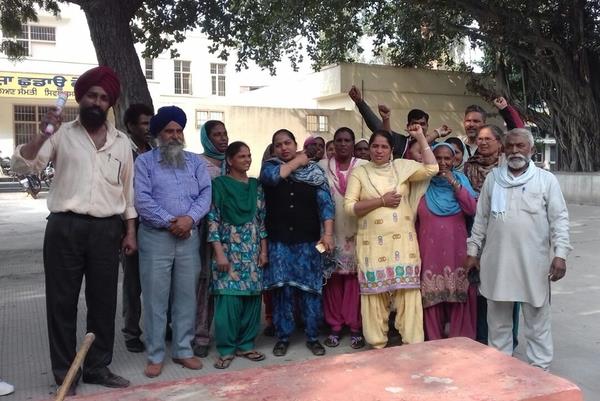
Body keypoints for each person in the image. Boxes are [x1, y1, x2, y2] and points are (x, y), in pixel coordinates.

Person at [11, 66, 136, 394]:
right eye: (92, 95)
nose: (97, 101)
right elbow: (22, 166)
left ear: (110, 104)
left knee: (104, 301)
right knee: (61, 302)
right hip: (65, 227)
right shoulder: (61, 133)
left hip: (107, 230)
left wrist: (130, 231)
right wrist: (42, 134)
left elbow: (128, 192)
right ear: (81, 98)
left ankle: (97, 367)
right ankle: (65, 374)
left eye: (104, 97)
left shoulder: (122, 143)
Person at [465, 128, 571, 370]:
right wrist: (473, 252)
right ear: (503, 149)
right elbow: (481, 219)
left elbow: (560, 220)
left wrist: (560, 255)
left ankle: (539, 371)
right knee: (498, 323)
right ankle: (501, 370)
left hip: (533, 265)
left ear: (531, 150)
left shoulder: (546, 181)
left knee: (537, 322)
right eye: (510, 146)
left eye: (520, 146)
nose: (515, 151)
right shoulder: (494, 179)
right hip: (498, 264)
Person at [344, 126, 438, 349]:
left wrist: (421, 137)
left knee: (408, 293)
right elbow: (349, 207)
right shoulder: (360, 171)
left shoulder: (402, 167)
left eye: (384, 147)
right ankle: (377, 345)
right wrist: (381, 202)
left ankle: (412, 345)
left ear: (392, 150)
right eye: (374, 146)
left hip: (403, 244)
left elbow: (432, 167)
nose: (378, 151)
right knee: (374, 295)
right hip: (371, 246)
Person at [135, 106, 211, 378]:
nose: (175, 136)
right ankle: (155, 355)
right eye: (169, 131)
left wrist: (189, 219)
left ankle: (182, 350)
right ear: (158, 134)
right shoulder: (144, 162)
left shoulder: (194, 162)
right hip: (156, 237)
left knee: (186, 296)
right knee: (155, 298)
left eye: (178, 130)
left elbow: (205, 194)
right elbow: (142, 200)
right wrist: (171, 221)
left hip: (188, 237)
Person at [260, 129, 335, 357]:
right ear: (273, 149)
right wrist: (297, 161)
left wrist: (328, 234)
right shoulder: (270, 168)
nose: (284, 148)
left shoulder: (314, 172)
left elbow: (326, 205)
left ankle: (312, 337)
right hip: (279, 241)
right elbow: (273, 179)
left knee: (311, 291)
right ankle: (283, 337)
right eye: (278, 145)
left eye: (287, 143)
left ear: (295, 144)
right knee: (282, 290)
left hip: (308, 241)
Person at [208, 141, 268, 369]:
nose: (247, 159)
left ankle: (246, 345)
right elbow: (212, 220)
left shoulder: (255, 186)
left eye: (249, 155)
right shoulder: (220, 185)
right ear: (230, 160)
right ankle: (226, 348)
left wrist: (263, 251)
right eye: (242, 156)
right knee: (228, 299)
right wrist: (219, 253)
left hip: (251, 250)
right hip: (228, 251)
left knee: (252, 298)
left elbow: (261, 220)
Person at [416, 143, 478, 340]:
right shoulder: (422, 183)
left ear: (454, 161)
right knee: (431, 297)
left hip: (456, 251)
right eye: (438, 158)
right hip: (428, 251)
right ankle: (434, 340)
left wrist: (454, 184)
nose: (442, 162)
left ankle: (461, 341)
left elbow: (472, 209)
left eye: (447, 158)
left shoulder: (461, 181)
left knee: (458, 294)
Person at [319, 127, 367, 349]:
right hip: (329, 232)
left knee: (354, 282)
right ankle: (335, 326)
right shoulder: (322, 167)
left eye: (347, 140)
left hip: (358, 232)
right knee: (333, 281)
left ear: (353, 143)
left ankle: (356, 327)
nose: (343, 144)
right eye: (338, 140)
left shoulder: (364, 167)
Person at [194, 120, 229, 357]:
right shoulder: (196, 163)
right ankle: (201, 336)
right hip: (203, 230)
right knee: (204, 282)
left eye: (225, 134)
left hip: (231, 231)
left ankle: (228, 333)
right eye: (217, 134)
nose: (223, 138)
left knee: (228, 281)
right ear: (207, 138)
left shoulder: (233, 160)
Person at [121, 103, 154, 353]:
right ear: (130, 126)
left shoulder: (156, 151)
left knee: (159, 281)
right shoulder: (123, 151)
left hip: (155, 226)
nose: (148, 128)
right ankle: (132, 332)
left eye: (150, 122)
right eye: (143, 123)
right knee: (133, 284)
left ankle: (162, 327)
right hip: (129, 226)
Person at [348, 86, 449, 158]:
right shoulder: (402, 142)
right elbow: (378, 128)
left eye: (422, 124)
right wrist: (360, 102)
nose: (419, 127)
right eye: (415, 123)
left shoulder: (437, 147)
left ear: (427, 126)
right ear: (408, 126)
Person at [463, 124, 503, 193]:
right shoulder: (470, 165)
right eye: (480, 139)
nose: (483, 143)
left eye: (488, 139)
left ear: (499, 143)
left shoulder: (506, 165)